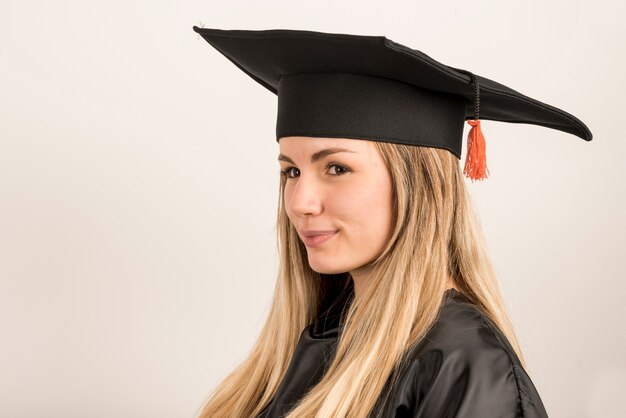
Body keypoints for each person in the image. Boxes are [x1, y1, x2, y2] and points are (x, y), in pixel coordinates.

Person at [191, 27, 592, 418]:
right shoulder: (325, 334)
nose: (300, 204)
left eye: (336, 167)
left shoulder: (463, 365)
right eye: (291, 172)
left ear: (418, 186)